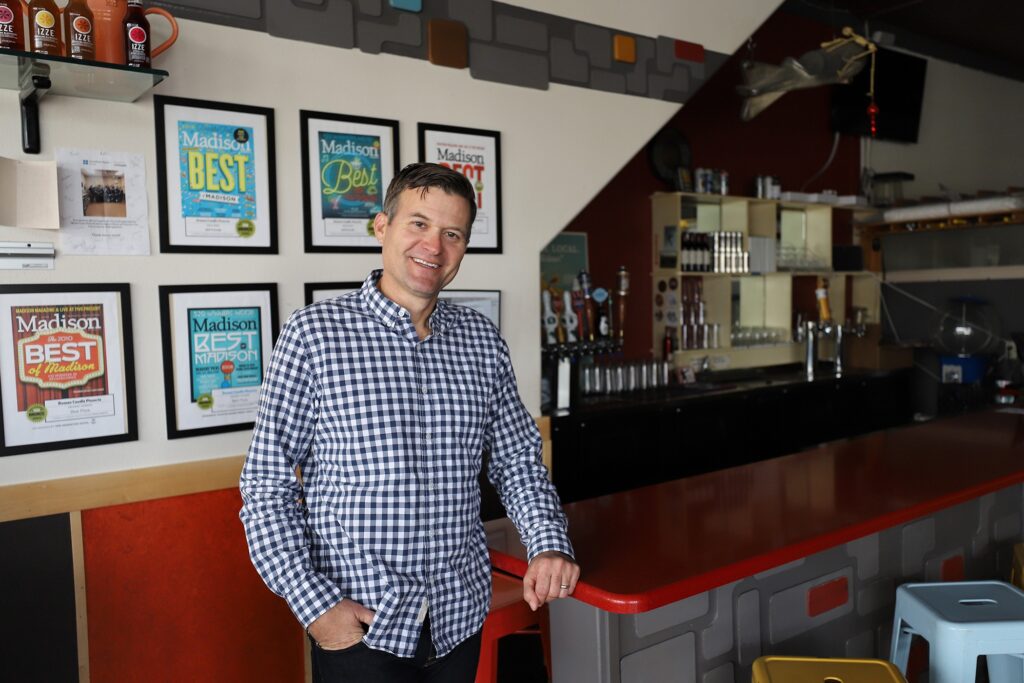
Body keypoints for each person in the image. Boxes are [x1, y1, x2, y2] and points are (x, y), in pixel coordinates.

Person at [240, 162, 579, 682]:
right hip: (358, 625)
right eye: (418, 224)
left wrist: (548, 541)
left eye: (452, 234)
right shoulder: (314, 336)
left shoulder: (480, 340)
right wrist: (315, 608)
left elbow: (517, 462)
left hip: (457, 619)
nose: (434, 247)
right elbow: (266, 487)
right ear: (382, 226)